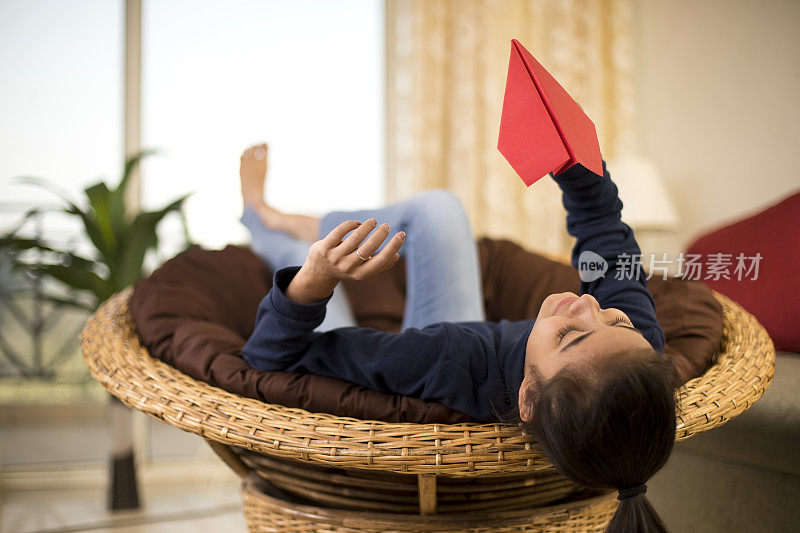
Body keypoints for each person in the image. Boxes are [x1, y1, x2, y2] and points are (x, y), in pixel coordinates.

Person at [239, 143, 678, 532]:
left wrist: (315, 280)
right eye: (616, 321)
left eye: (569, 335)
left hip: (441, 353)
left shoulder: (444, 359)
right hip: (472, 341)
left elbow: (269, 358)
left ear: (528, 398)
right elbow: (607, 235)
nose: (587, 305)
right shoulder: (635, 351)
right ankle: (317, 225)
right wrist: (575, 162)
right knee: (439, 208)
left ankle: (260, 216)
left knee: (298, 260)